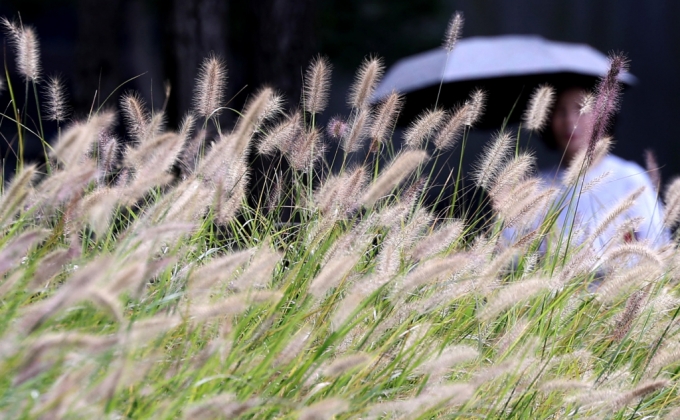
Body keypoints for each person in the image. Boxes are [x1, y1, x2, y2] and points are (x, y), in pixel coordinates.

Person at [538, 86, 668, 253]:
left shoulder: (628, 179)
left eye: (580, 109)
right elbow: (514, 257)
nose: (570, 120)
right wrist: (506, 216)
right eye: (559, 111)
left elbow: (659, 249)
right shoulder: (537, 186)